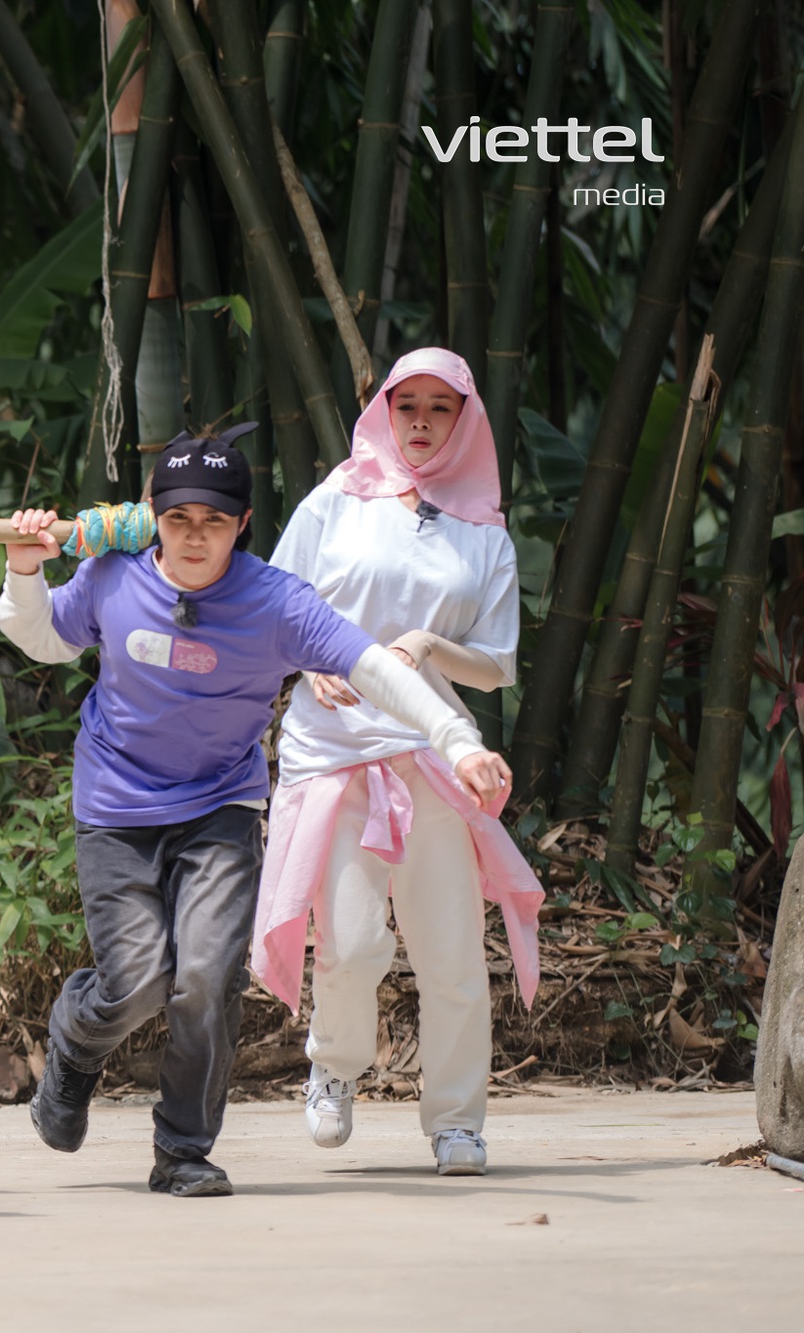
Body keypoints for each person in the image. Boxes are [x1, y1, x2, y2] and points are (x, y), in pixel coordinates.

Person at [0, 431, 513, 1197]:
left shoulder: (276, 602)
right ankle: (75, 1044)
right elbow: (37, 637)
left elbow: (376, 667)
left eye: (214, 519)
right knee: (136, 981)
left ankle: (181, 1149)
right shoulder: (112, 575)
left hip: (218, 808)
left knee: (204, 976)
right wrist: (25, 568)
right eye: (178, 518)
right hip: (116, 807)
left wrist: (457, 738)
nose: (194, 535)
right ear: (151, 515)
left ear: (242, 525)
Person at [252, 348, 543, 1177]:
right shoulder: (335, 499)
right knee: (349, 939)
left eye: (439, 407)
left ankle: (457, 1118)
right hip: (333, 748)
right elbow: (274, 606)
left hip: (433, 750)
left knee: (449, 948)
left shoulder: (484, 531)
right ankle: (334, 1066)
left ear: (465, 420)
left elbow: (495, 664)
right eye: (405, 404)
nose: (419, 421)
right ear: (384, 410)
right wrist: (312, 664)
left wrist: (428, 645)